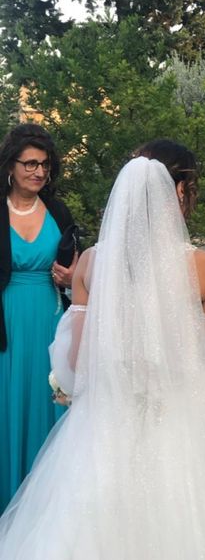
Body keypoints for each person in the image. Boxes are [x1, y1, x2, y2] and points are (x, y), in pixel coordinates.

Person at [0, 140, 205, 559]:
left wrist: (73, 387)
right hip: (191, 419)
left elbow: (73, 362)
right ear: (177, 191)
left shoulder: (91, 263)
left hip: (108, 423)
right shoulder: (201, 266)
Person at [0, 123, 77, 513]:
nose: (38, 171)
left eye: (44, 164)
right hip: (6, 324)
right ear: (10, 166)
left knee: (48, 406)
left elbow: (76, 270)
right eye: (29, 163)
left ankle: (42, 516)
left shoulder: (58, 212)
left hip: (49, 322)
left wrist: (70, 278)